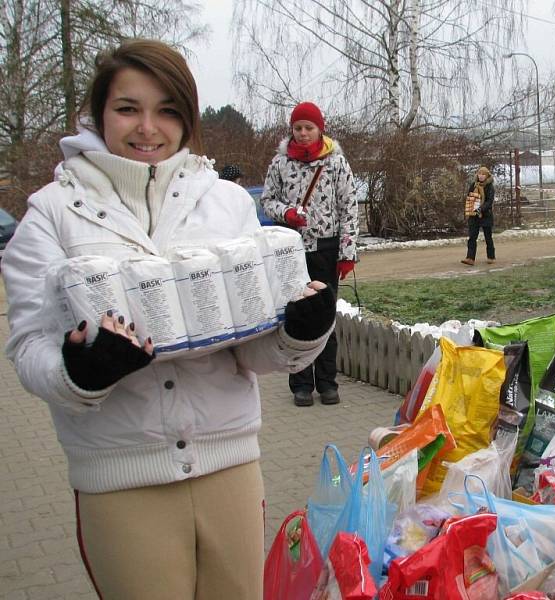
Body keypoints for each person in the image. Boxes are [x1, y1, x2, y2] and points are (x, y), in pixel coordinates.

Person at [2, 40, 335, 599]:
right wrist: (78, 372)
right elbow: (28, 346)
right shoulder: (53, 215)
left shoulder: (226, 204)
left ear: (187, 118)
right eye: (128, 108)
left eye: (167, 110)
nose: (147, 128)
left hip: (229, 465)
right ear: (99, 113)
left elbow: (250, 348)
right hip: (121, 480)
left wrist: (301, 332)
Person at [261, 101, 357, 407]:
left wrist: (347, 252)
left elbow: (349, 208)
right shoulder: (280, 163)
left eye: (308, 128)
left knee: (325, 314)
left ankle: (328, 382)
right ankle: (301, 384)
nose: (302, 134)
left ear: (320, 129)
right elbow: (266, 201)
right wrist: (287, 213)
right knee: (297, 316)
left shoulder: (336, 163)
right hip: (291, 250)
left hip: (327, 249)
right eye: (298, 128)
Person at [461, 165, 495, 266]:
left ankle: (491, 257)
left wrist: (481, 209)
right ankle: (470, 258)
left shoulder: (490, 187)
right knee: (472, 237)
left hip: (486, 215)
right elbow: (469, 197)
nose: (481, 176)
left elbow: (489, 201)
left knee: (488, 237)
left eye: (483, 174)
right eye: (479, 173)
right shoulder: (473, 185)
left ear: (487, 175)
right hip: (474, 215)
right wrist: (470, 208)